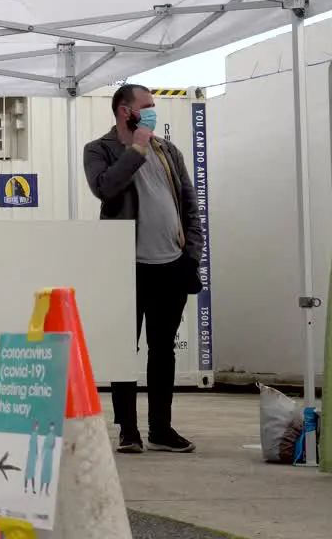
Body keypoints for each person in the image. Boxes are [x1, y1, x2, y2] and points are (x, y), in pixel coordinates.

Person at [84, 84, 204, 455]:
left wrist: (192, 253)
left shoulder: (168, 150)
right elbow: (106, 188)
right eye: (146, 106)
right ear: (125, 111)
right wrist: (136, 146)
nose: (153, 111)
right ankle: (129, 431)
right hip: (126, 266)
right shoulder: (100, 149)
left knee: (163, 350)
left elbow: (188, 202)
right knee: (124, 351)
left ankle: (161, 429)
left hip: (172, 264)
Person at [24, 420, 40, 494]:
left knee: (32, 473)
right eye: (36, 426)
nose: (37, 427)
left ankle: (33, 489)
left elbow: (36, 445)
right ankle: (26, 488)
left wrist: (36, 453)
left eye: (37, 426)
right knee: (27, 473)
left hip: (33, 455)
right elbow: (31, 444)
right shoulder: (33, 434)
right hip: (30, 455)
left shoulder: (36, 434)